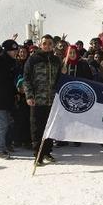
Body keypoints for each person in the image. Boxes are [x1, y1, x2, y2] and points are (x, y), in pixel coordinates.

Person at [24, 35, 62, 166]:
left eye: (50, 44)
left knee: (50, 127)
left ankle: (47, 151)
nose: (47, 46)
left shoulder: (56, 60)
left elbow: (59, 79)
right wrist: (29, 95)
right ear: (40, 44)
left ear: (53, 45)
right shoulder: (33, 59)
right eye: (45, 43)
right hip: (37, 100)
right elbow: (26, 79)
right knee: (37, 128)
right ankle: (38, 155)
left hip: (52, 100)